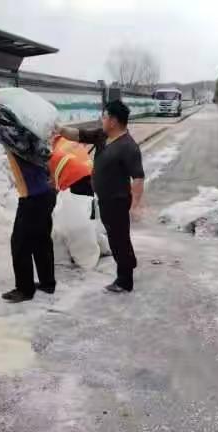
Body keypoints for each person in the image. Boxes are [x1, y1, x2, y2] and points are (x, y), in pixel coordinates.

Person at [0, 90, 57, 303]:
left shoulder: (13, 136)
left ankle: (24, 289)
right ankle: (47, 283)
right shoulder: (32, 133)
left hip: (33, 197)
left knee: (19, 243)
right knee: (41, 240)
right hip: (46, 193)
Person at [56, 100, 145, 293]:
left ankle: (124, 280)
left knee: (118, 239)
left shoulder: (128, 147)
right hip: (104, 199)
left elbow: (138, 178)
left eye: (104, 116)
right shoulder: (102, 136)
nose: (101, 120)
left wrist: (135, 205)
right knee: (116, 237)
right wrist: (59, 129)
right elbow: (79, 135)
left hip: (118, 201)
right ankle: (129, 263)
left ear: (113, 120)